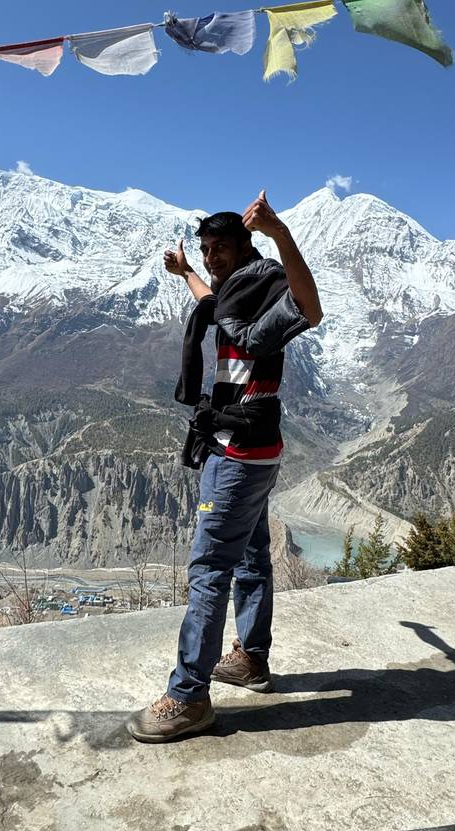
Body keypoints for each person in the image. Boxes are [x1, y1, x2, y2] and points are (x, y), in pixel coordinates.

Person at [126, 190, 322, 743]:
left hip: (239, 454)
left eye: (220, 248)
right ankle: (252, 660)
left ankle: (189, 696)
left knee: (210, 568)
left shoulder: (268, 291)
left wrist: (282, 234)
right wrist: (187, 271)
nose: (212, 258)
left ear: (247, 246)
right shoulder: (238, 295)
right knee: (253, 553)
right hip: (250, 448)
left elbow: (311, 309)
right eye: (206, 249)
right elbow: (216, 303)